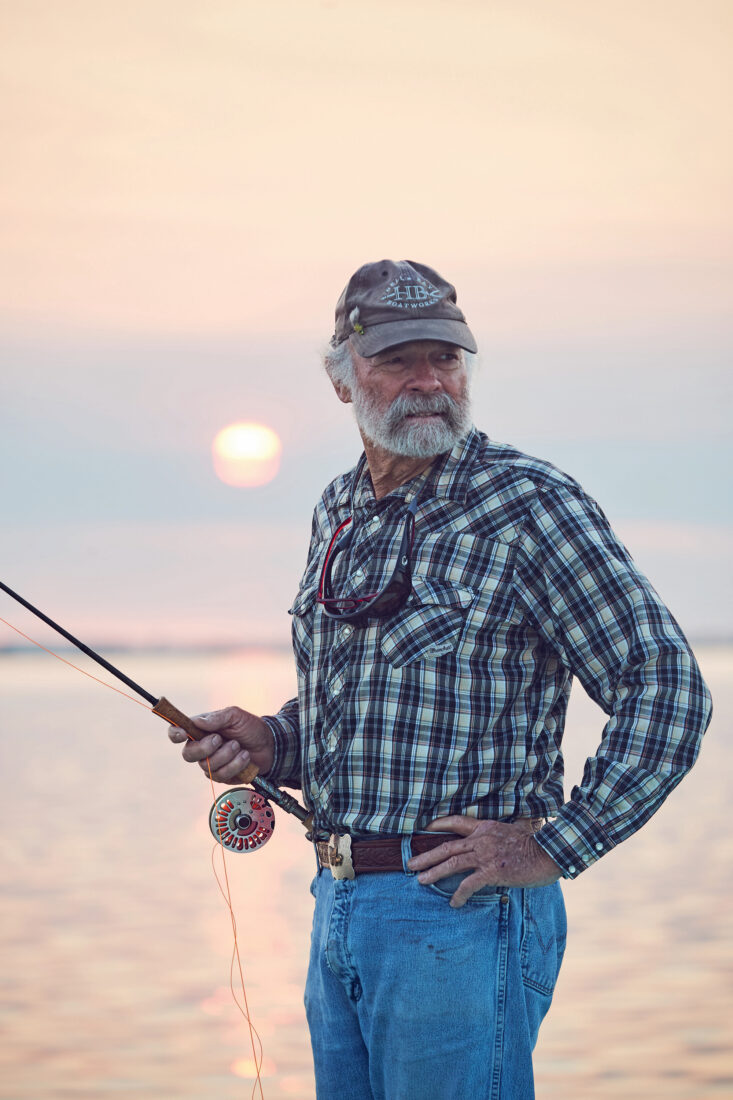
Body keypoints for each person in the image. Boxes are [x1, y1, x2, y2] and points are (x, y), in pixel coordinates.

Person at [169, 260, 712, 1100]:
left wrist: (555, 844)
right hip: (336, 902)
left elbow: (666, 688)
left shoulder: (527, 503)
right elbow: (370, 709)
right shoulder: (336, 509)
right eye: (397, 359)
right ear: (343, 380)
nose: (428, 381)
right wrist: (275, 741)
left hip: (460, 914)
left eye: (446, 358)